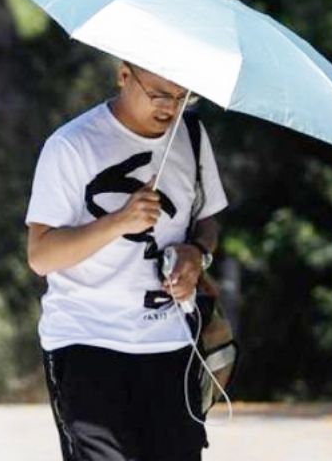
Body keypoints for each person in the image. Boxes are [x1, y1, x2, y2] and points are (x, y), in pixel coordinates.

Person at [24, 61, 228, 461]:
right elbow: (41, 255)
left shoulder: (191, 135)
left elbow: (208, 220)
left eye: (183, 95)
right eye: (159, 94)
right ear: (123, 75)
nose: (170, 107)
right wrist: (119, 221)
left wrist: (197, 254)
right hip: (87, 343)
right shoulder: (71, 146)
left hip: (170, 344)